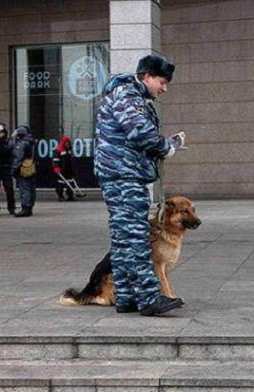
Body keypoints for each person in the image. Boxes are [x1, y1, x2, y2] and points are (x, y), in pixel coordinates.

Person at [94, 54, 186, 316]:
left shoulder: (124, 95)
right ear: (145, 76)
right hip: (125, 176)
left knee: (123, 239)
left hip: (119, 174)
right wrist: (165, 147)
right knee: (136, 238)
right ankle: (147, 298)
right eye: (161, 81)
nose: (164, 88)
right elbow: (140, 132)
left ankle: (126, 297)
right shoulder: (128, 96)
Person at [0, 123, 16, 216]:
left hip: (6, 167)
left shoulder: (8, 142)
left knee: (9, 188)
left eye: (3, 132)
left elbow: (11, 151)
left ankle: (11, 207)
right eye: (0, 132)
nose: (2, 134)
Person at [11, 125, 37, 217]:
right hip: (31, 167)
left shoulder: (22, 143)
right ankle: (29, 207)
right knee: (31, 188)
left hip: (23, 168)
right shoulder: (31, 141)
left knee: (24, 188)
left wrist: (14, 170)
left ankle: (25, 208)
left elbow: (18, 157)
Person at [52, 135, 75, 201]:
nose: (67, 144)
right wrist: (56, 168)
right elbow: (55, 160)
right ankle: (60, 196)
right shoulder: (58, 150)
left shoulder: (69, 150)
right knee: (60, 183)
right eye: (66, 143)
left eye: (68, 142)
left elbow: (70, 160)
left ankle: (70, 195)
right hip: (62, 169)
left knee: (70, 182)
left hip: (69, 169)